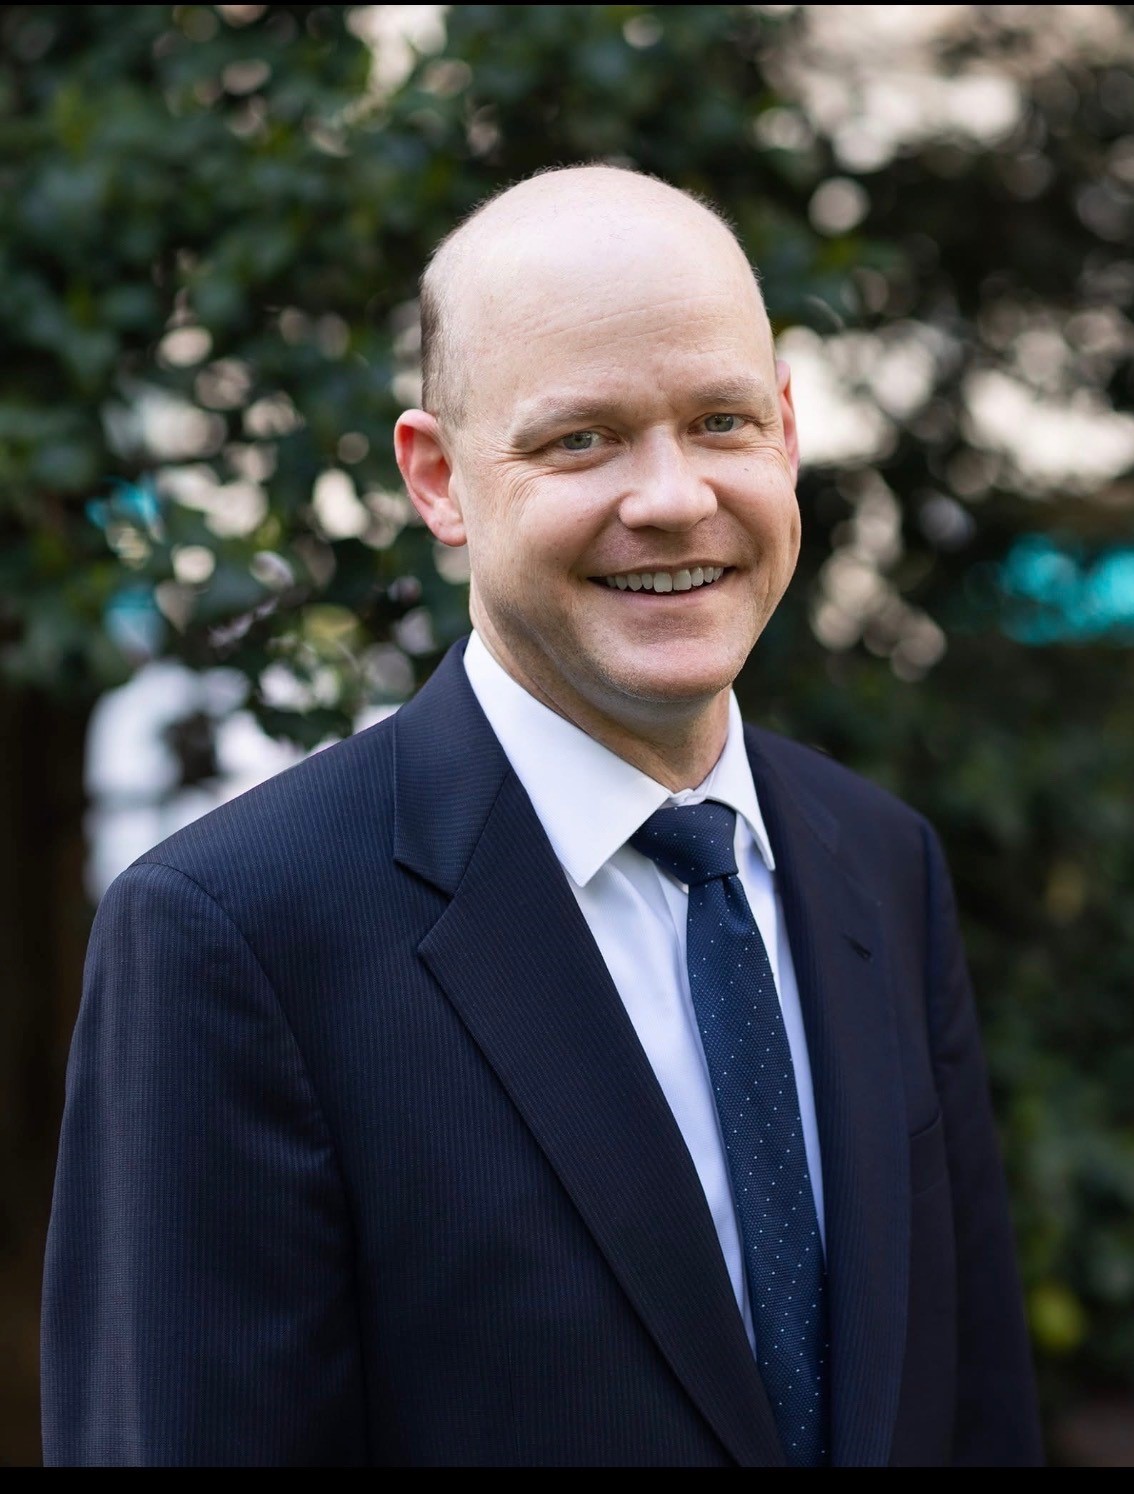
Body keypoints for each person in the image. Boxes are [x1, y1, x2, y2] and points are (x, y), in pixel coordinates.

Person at [41, 165, 1043, 1467]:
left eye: (721, 421)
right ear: (438, 479)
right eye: (581, 438)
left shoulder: (880, 861)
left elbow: (971, 1411)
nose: (673, 496)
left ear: (788, 433)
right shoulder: (236, 937)